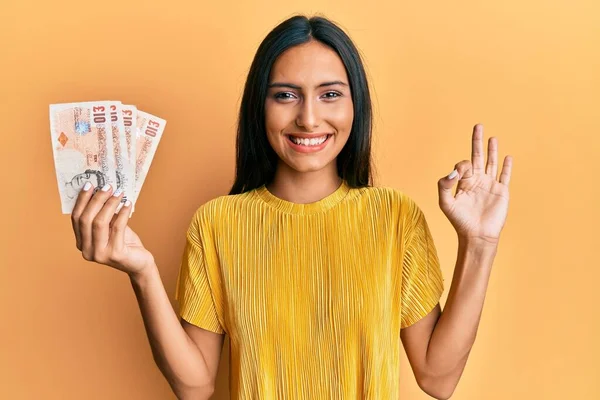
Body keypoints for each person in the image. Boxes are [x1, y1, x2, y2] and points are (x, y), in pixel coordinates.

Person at [69, 14, 513, 400]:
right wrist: (143, 272)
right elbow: (195, 385)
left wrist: (480, 243)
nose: (309, 118)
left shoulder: (395, 217)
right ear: (258, 108)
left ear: (356, 105)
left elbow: (438, 378)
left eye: (330, 94)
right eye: (285, 95)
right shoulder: (217, 223)